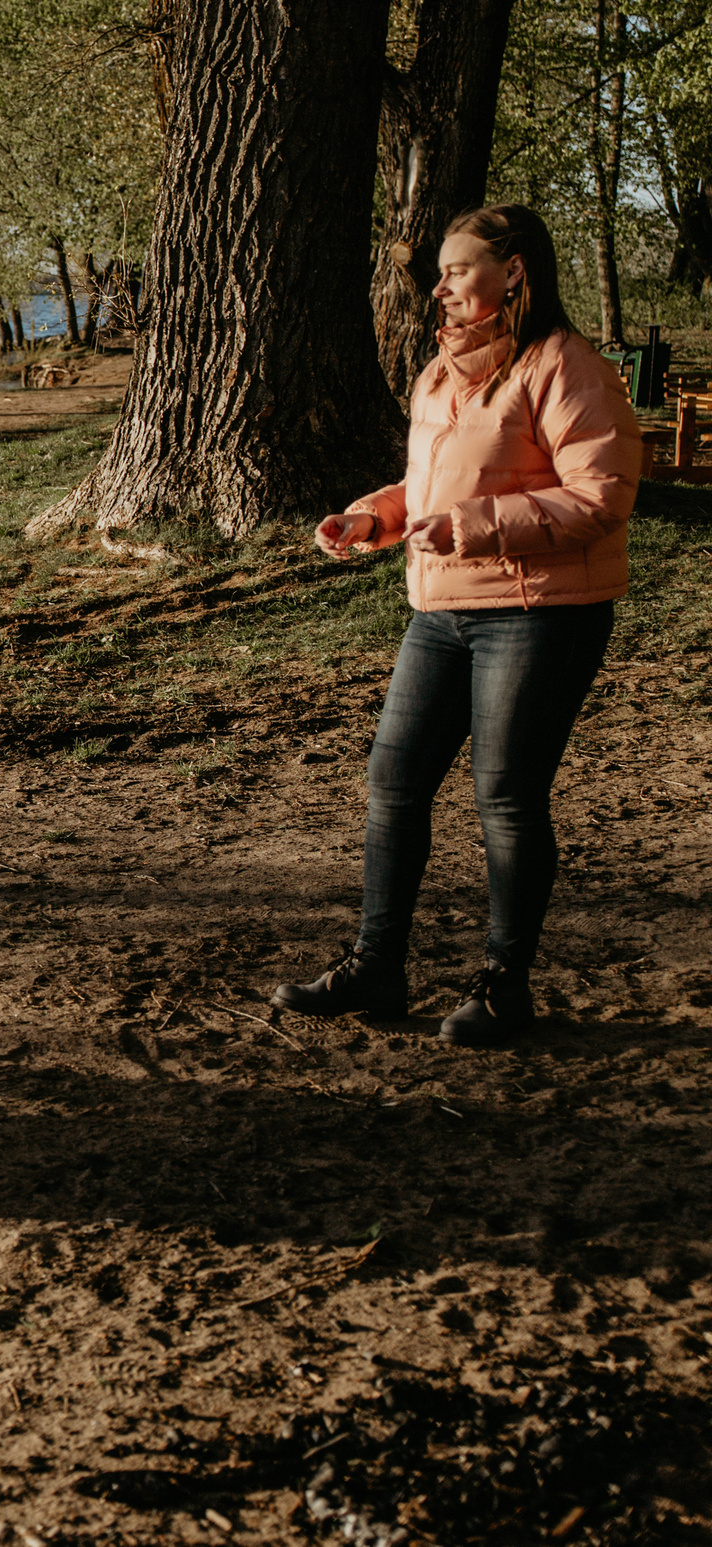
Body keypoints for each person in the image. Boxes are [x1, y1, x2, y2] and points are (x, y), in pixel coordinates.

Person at [279, 206, 642, 1046]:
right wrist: (372, 516)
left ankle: (504, 986)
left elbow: (601, 499)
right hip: (440, 610)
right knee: (393, 782)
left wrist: (475, 526)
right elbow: (432, 486)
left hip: (540, 614)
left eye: (456, 269)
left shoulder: (567, 367)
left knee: (506, 797)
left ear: (512, 273)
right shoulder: (441, 374)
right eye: (439, 272)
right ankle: (378, 967)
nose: (438, 286)